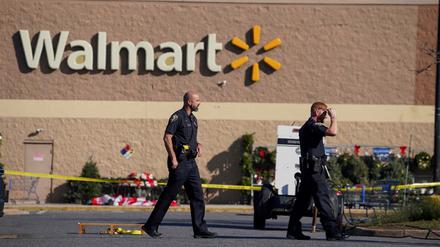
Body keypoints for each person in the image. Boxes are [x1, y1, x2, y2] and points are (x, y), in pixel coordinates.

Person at [142, 91, 217, 239]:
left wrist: (199, 144)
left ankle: (200, 229)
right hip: (179, 162)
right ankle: (151, 226)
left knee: (197, 196)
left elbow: (190, 140)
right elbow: (167, 137)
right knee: (169, 195)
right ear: (189, 102)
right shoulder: (177, 117)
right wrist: (173, 158)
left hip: (191, 163)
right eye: (197, 100)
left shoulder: (194, 119)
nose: (199, 102)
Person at [286, 102, 344, 241]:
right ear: (317, 111)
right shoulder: (313, 126)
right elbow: (333, 132)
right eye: (324, 112)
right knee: (323, 199)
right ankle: (332, 232)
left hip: (308, 171)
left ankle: (293, 230)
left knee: (302, 202)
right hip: (314, 171)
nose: (326, 115)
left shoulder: (306, 126)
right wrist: (334, 118)